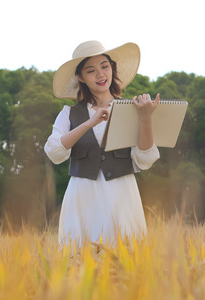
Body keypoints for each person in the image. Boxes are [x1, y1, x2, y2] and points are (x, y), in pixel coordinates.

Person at [44, 40, 160, 247]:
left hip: (122, 194)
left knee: (125, 258)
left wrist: (145, 119)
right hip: (83, 195)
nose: (100, 74)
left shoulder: (132, 109)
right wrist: (89, 122)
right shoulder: (69, 113)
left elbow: (144, 159)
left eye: (104, 66)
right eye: (91, 70)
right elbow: (55, 151)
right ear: (80, 77)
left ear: (112, 69)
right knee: (80, 259)